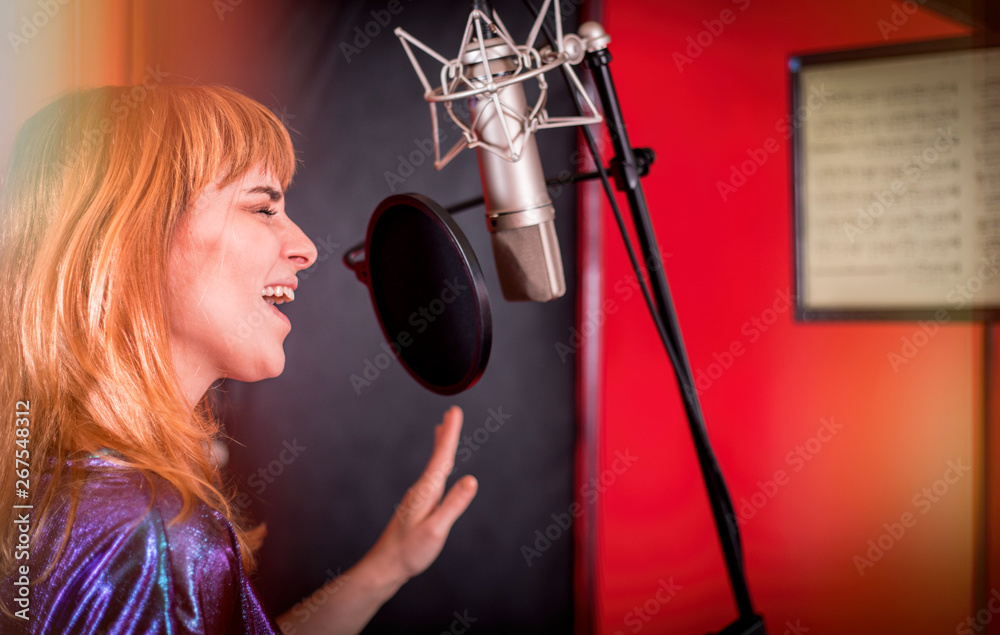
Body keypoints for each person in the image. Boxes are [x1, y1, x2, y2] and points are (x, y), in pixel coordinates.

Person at [0, 85, 478, 634]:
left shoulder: (57, 486)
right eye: (262, 207)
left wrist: (386, 568)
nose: (306, 247)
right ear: (130, 240)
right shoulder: (151, 532)